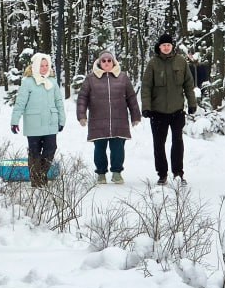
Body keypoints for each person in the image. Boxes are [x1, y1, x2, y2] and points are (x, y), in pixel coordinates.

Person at [76, 51, 142, 185]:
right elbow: (82, 98)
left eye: (109, 60)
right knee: (99, 149)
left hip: (119, 120)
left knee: (118, 148)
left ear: (113, 62)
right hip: (98, 121)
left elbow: (131, 98)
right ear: (99, 63)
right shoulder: (91, 79)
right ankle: (101, 173)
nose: (106, 62)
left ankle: (117, 173)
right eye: (104, 60)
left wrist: (135, 115)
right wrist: (82, 115)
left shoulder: (123, 77)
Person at [141, 33, 197, 186]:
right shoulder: (153, 64)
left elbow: (188, 84)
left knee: (177, 143)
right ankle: (162, 174)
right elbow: (146, 87)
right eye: (163, 45)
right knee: (159, 144)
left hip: (177, 111)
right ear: (159, 47)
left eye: (168, 45)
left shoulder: (181, 62)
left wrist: (192, 103)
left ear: (172, 46)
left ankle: (178, 173)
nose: (166, 48)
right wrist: (146, 107)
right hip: (157, 112)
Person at [10, 52, 65, 188]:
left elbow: (59, 101)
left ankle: (41, 175)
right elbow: (20, 103)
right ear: (35, 66)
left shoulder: (52, 82)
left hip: (50, 122)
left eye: (46, 65)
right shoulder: (28, 82)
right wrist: (15, 121)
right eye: (41, 65)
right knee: (34, 152)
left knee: (51, 148)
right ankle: (36, 182)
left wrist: (61, 119)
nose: (45, 68)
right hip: (33, 123)